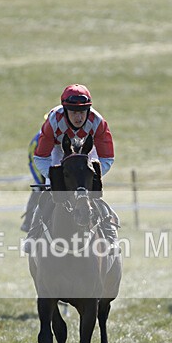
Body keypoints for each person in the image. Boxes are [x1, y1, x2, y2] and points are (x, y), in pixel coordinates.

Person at [24, 84, 118, 251]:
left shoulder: (98, 122)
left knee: (92, 190)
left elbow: (107, 158)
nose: (78, 117)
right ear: (65, 109)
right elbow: (40, 157)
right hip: (58, 151)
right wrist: (57, 177)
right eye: (74, 112)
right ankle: (34, 232)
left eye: (82, 112)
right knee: (49, 190)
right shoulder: (53, 120)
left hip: (87, 152)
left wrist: (90, 176)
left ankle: (109, 233)